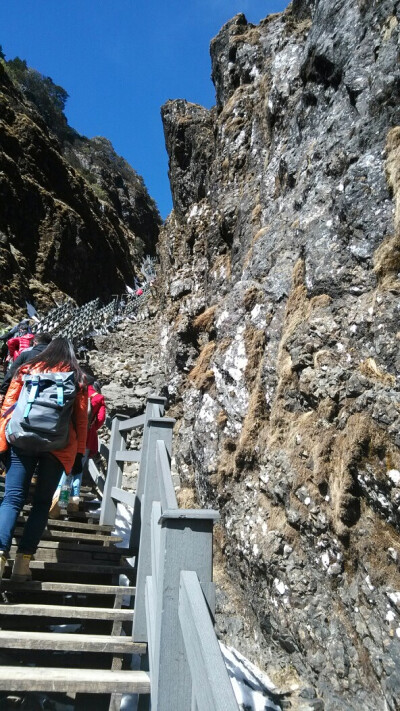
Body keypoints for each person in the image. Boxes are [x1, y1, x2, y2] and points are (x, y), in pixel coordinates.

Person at [0, 338, 88, 582]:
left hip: (21, 440)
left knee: (12, 499)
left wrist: (1, 442)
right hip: (58, 447)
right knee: (41, 504)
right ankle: (22, 565)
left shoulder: (28, 369)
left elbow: (8, 404)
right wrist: (79, 454)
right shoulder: (77, 378)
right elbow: (81, 421)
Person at [50, 375, 106, 517]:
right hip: (87, 438)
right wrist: (90, 428)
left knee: (67, 465)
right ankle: (74, 497)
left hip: (71, 435)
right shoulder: (99, 398)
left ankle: (60, 494)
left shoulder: (77, 390)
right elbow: (100, 419)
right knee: (79, 468)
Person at [0, 333, 52, 406]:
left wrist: (2, 392)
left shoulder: (26, 355)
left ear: (35, 342)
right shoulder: (56, 358)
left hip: (24, 392)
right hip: (46, 397)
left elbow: (11, 373)